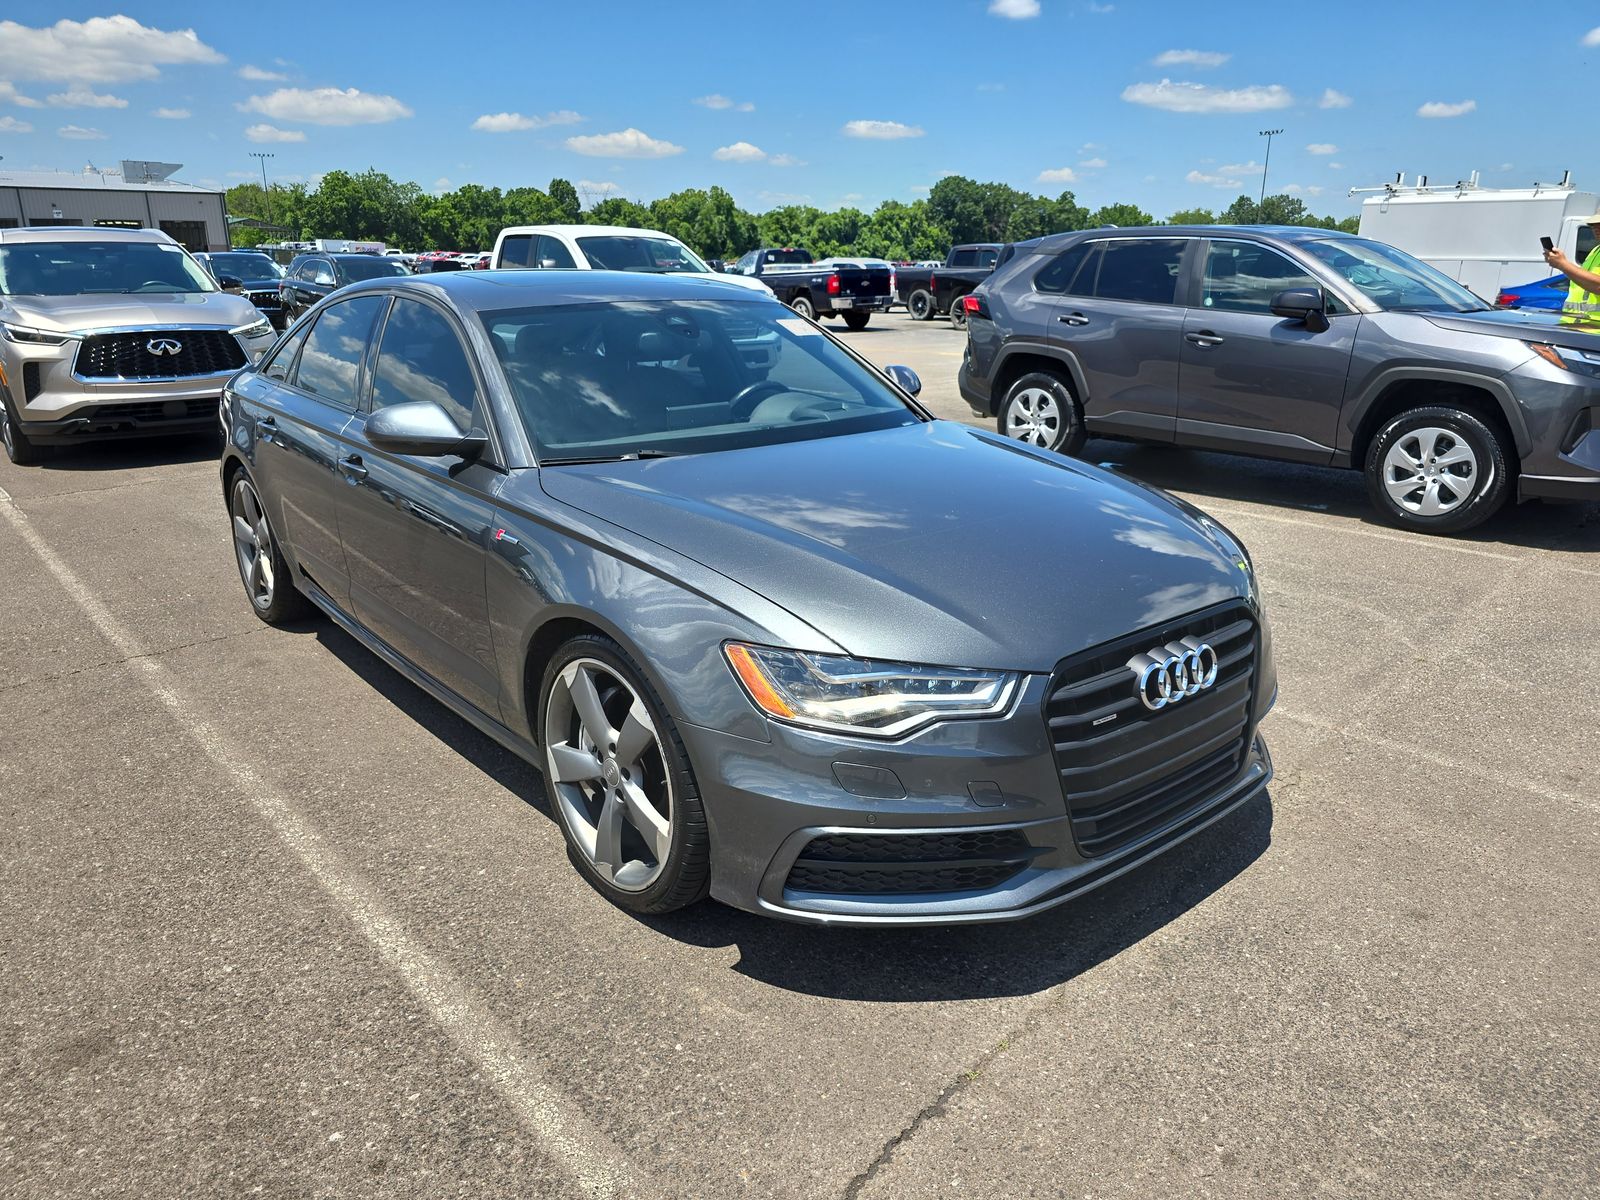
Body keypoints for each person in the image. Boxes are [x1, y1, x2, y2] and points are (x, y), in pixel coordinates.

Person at [1542, 208, 1600, 322]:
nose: (1595, 228)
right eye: (1593, 224)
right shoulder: (1595, 251)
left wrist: (1562, 264)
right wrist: (1562, 265)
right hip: (1575, 326)